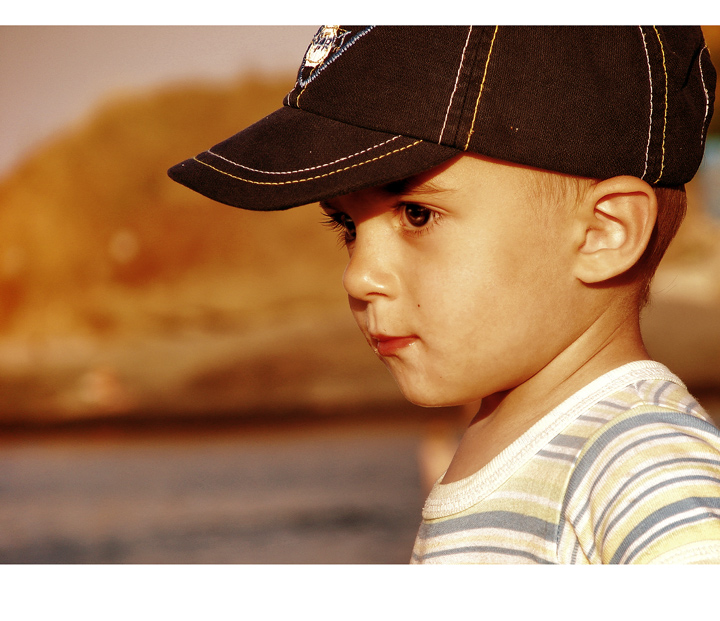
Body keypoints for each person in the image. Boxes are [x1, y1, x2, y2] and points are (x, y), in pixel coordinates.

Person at [169, 26, 720, 563]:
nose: (359, 277)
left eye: (417, 214)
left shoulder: (643, 465)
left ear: (603, 232)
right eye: (347, 226)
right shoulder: (529, 447)